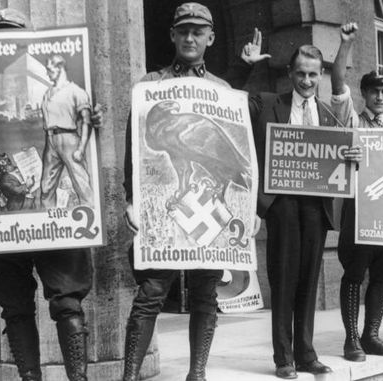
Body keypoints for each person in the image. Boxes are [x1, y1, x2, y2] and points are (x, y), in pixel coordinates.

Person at [121, 3, 269, 381]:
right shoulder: (150, 85)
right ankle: (128, 376)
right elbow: (132, 146)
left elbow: (240, 142)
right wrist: (131, 198)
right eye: (183, 31)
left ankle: (197, 373)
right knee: (151, 292)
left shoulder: (222, 90)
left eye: (198, 32)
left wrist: (248, 205)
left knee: (205, 293)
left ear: (210, 38)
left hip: (208, 205)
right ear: (172, 35)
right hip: (164, 218)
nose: (190, 38)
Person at [0, 9, 105, 381]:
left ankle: (77, 379)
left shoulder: (53, 82)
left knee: (67, 298)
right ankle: (30, 377)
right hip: (2, 221)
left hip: (49, 214)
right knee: (14, 305)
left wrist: (90, 123)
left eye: (13, 36)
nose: (6, 43)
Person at [248, 38, 360, 377]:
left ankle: (306, 355)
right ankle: (283, 358)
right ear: (289, 73)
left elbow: (345, 152)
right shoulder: (270, 104)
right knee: (283, 279)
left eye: (313, 75)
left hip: (316, 206)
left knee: (309, 281)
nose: (307, 81)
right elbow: (238, 105)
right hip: (281, 203)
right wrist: (250, 66)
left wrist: (353, 157)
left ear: (321, 76)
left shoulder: (328, 114)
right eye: (300, 74)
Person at [329, 22, 383, 362]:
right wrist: (345, 45)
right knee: (355, 275)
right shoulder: (353, 121)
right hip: (359, 215)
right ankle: (352, 338)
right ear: (365, 94)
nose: (380, 97)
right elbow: (338, 84)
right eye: (374, 91)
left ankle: (372, 334)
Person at [40, 54, 94, 209]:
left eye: (50, 70)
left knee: (82, 186)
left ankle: (89, 220)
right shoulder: (47, 93)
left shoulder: (76, 91)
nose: (47, 73)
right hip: (50, 141)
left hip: (69, 139)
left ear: (60, 67)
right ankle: (48, 224)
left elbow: (86, 121)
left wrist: (81, 148)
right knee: (45, 188)